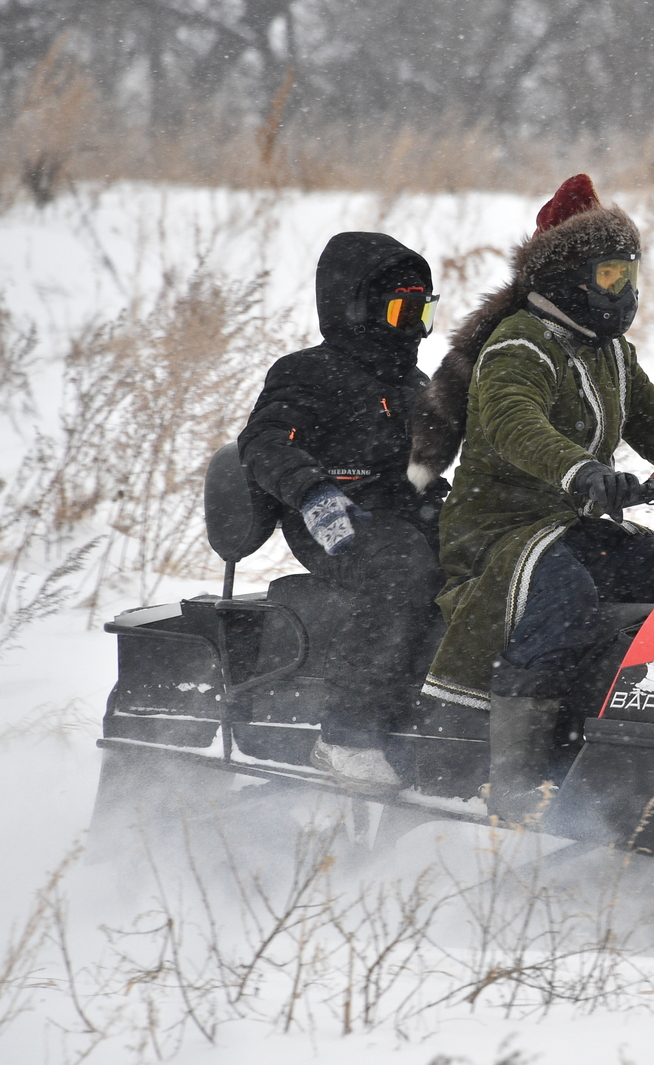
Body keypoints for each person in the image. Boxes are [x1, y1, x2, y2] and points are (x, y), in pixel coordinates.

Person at [407, 174, 654, 818]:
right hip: (500, 532)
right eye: (610, 276)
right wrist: (581, 471)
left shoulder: (612, 354)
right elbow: (513, 422)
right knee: (565, 599)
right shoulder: (519, 344)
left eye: (630, 274)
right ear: (567, 277)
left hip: (567, 524)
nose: (625, 291)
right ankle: (516, 784)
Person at [239, 232, 448, 793]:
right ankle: (347, 734)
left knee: (495, 560)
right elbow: (264, 442)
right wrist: (313, 491)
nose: (415, 328)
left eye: (423, 313)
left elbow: (424, 465)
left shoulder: (416, 384)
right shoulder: (308, 371)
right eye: (403, 311)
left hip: (406, 515)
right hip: (331, 519)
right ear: (358, 307)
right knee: (401, 570)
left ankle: (447, 721)